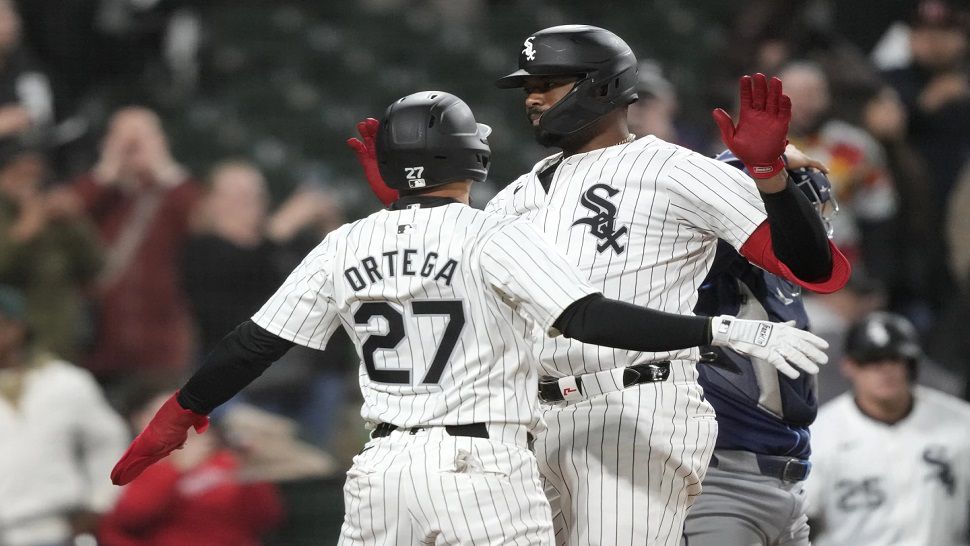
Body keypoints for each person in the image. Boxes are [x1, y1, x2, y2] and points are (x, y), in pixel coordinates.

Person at [111, 91, 829, 546]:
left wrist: (180, 411)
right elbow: (588, 316)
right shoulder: (493, 233)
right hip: (479, 464)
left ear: (390, 169)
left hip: (381, 467)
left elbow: (250, 344)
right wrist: (720, 330)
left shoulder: (346, 242)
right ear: (473, 159)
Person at [350, 26, 849, 546]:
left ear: (604, 86)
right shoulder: (517, 195)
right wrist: (415, 208)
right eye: (528, 87)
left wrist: (769, 174)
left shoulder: (673, 168)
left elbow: (812, 267)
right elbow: (452, 296)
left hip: (634, 407)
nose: (534, 98)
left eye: (549, 83)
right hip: (528, 424)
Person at [680, 152, 836, 546]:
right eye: (801, 208)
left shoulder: (778, 278)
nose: (812, 222)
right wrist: (765, 164)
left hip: (788, 483)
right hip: (722, 481)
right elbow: (711, 216)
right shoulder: (704, 263)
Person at [46, 106, 201, 391]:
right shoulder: (96, 192)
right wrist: (104, 173)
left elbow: (202, 222)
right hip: (95, 346)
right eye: (125, 141)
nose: (133, 149)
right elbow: (60, 214)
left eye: (141, 140)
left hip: (159, 349)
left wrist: (164, 167)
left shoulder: (173, 195)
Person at [806, 312, 970, 545]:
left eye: (894, 359)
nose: (884, 370)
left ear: (910, 364)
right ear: (849, 366)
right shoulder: (820, 434)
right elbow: (801, 521)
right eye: (871, 361)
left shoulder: (961, 422)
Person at [0, 284, 129, 546]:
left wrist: (99, 503)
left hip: (51, 528)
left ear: (17, 327)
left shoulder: (64, 381)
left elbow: (109, 442)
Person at [98, 389, 284, 546]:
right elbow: (129, 519)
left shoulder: (226, 461)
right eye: (166, 416)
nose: (181, 423)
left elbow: (266, 517)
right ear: (140, 420)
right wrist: (177, 468)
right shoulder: (132, 463)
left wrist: (250, 468)